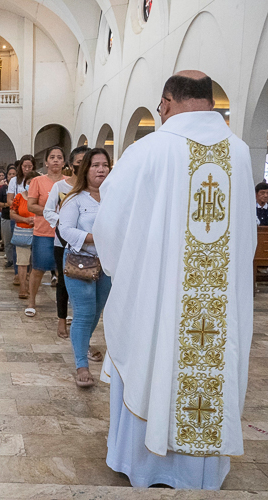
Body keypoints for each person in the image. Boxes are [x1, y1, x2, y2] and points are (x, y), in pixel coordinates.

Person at [94, 71, 256, 489]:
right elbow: (247, 234)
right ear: (210, 102)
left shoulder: (148, 149)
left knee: (152, 356)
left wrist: (123, 268)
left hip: (156, 293)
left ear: (166, 103)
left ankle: (143, 464)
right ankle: (198, 472)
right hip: (217, 302)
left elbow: (110, 219)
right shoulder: (238, 153)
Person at [59, 148, 111, 388]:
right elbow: (66, 230)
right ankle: (82, 365)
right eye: (95, 165)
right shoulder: (75, 198)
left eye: (104, 165)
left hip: (108, 264)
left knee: (96, 311)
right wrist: (96, 237)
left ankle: (82, 346)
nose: (101, 169)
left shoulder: (115, 197)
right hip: (80, 260)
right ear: (85, 169)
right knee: (84, 312)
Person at [44, 146, 90, 338]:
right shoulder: (61, 187)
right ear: (71, 165)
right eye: (80, 163)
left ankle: (81, 320)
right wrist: (63, 225)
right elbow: (48, 210)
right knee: (64, 281)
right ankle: (62, 320)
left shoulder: (94, 189)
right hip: (62, 241)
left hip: (88, 242)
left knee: (86, 280)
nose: (84, 166)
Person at [25, 146, 66, 317]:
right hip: (43, 231)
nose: (56, 160)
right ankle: (32, 301)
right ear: (46, 162)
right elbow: (31, 205)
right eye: (52, 157)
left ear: (64, 162)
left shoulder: (70, 181)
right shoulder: (38, 181)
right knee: (38, 268)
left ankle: (64, 307)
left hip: (64, 232)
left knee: (64, 271)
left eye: (59, 157)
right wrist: (52, 213)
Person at [11, 171, 40, 299]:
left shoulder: (42, 198)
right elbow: (12, 213)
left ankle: (31, 287)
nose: (31, 185)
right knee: (22, 261)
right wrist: (24, 220)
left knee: (36, 262)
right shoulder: (19, 197)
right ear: (25, 184)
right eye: (29, 182)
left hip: (39, 232)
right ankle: (23, 287)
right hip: (22, 232)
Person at [7, 155, 36, 284]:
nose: (27, 169)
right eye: (25, 166)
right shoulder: (15, 181)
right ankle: (18, 273)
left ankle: (30, 273)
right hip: (19, 216)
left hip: (35, 219)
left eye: (30, 166)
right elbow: (9, 199)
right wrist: (21, 204)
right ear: (21, 167)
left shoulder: (37, 178)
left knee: (34, 248)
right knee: (18, 246)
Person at [0, 166, 17, 267]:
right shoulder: (4, 188)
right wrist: (6, 205)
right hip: (6, 216)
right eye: (10, 174)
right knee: (8, 240)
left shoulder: (20, 187)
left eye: (14, 174)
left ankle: (18, 260)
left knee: (17, 241)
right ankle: (10, 259)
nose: (12, 176)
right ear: (7, 176)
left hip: (18, 217)